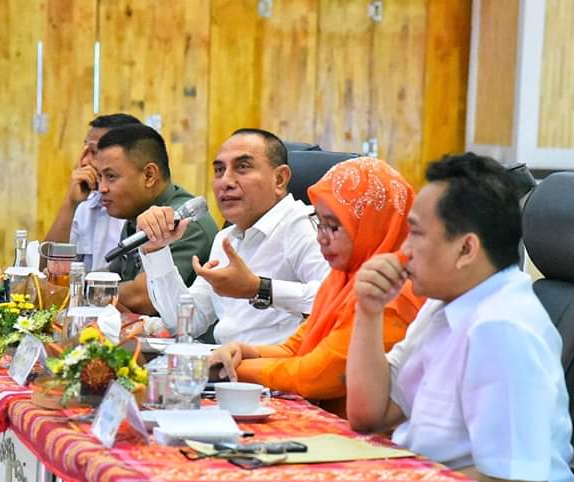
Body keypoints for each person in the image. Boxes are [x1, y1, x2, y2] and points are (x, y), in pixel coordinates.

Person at [347, 153, 573, 481]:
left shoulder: (503, 327)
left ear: (466, 249)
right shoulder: (445, 304)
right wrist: (369, 311)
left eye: (416, 233)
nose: (404, 251)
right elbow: (370, 414)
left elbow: (512, 477)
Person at [206, 156, 423, 413]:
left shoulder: (393, 292)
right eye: (320, 223)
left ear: (373, 227)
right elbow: (295, 348)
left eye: (334, 227)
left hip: (367, 434)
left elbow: (316, 376)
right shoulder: (340, 279)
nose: (321, 238)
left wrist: (231, 369)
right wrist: (245, 351)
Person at [136, 128, 330, 344]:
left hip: (280, 362)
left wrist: (259, 288)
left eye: (242, 167)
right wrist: (157, 250)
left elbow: (336, 300)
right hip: (225, 361)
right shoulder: (226, 238)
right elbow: (186, 323)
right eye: (219, 170)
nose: (225, 181)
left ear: (279, 179)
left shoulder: (306, 227)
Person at [93, 123, 219, 315]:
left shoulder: (183, 221)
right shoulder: (137, 217)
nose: (101, 188)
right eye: (99, 177)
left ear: (149, 175)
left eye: (111, 177)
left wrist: (86, 290)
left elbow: (144, 298)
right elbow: (112, 278)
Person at [45, 113, 141, 272]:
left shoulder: (143, 208)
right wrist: (70, 203)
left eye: (94, 152)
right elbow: (47, 269)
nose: (83, 161)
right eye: (85, 150)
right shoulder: (86, 204)